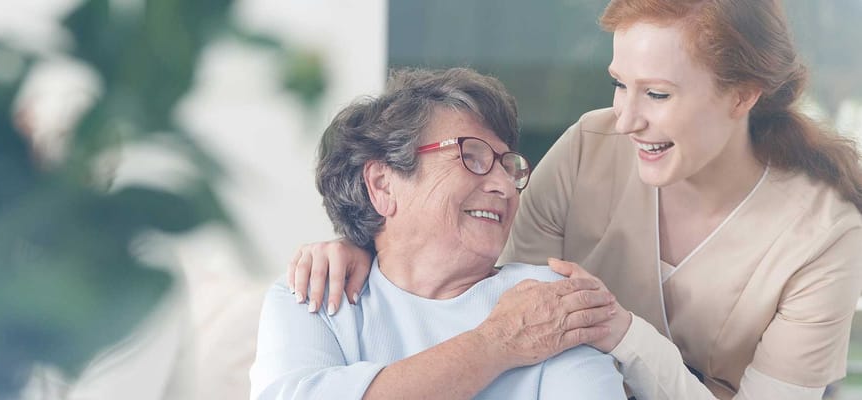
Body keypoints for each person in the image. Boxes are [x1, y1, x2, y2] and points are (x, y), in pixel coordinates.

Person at [285, 1, 862, 399]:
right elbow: (481, 285)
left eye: (657, 93)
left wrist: (623, 333)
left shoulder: (823, 236)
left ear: (742, 96)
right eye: (619, 83)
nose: (626, 118)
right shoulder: (593, 144)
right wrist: (371, 243)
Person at [249, 68, 627, 399]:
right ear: (383, 185)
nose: (505, 187)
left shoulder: (549, 303)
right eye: (472, 157)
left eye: (507, 165)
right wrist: (495, 343)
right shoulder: (315, 294)